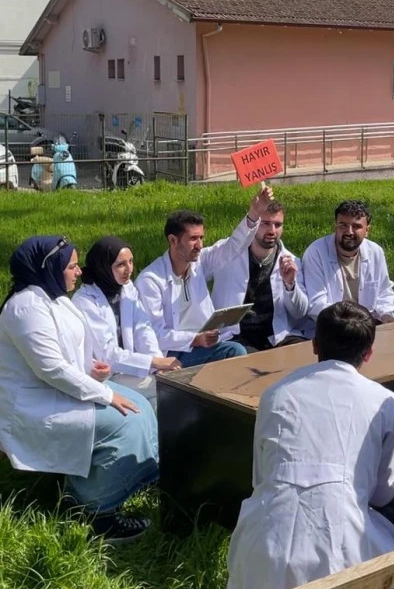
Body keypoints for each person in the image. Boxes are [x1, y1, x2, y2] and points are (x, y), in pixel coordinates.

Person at [225, 302, 394, 589]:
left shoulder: (275, 394)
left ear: (315, 344)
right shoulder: (383, 400)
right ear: (369, 353)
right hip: (343, 554)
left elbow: (260, 478)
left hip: (263, 552)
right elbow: (384, 493)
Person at [0, 235, 158, 542]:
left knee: (140, 404)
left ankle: (100, 484)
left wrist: (90, 370)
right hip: (35, 407)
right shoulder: (25, 308)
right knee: (126, 421)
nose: (79, 271)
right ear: (49, 268)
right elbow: (51, 369)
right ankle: (96, 512)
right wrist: (107, 394)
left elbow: (65, 356)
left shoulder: (55, 299)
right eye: (71, 266)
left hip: (58, 392)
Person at [136, 184, 274, 366]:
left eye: (201, 238)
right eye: (193, 239)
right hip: (171, 352)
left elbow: (233, 247)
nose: (200, 245)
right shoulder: (151, 280)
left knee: (242, 352)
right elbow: (154, 333)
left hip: (204, 343)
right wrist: (195, 339)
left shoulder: (199, 262)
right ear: (173, 240)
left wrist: (254, 213)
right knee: (235, 351)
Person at [73, 236, 181, 404]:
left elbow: (143, 329)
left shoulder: (127, 288)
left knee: (166, 386)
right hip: (104, 376)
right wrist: (154, 362)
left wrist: (158, 365)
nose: (129, 269)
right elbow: (107, 354)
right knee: (166, 388)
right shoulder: (85, 301)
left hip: (129, 369)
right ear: (103, 267)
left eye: (130, 261)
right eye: (121, 265)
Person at [207, 200, 309, 352]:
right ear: (255, 224)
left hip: (276, 336)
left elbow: (300, 313)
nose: (272, 231)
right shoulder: (228, 252)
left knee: (306, 351)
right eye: (265, 223)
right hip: (237, 336)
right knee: (248, 358)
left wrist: (290, 285)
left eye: (278, 225)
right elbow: (196, 273)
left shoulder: (292, 262)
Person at [302, 199, 394, 325]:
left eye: (356, 226)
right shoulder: (316, 253)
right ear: (335, 227)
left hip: (367, 324)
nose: (349, 232)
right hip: (331, 325)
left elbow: (384, 291)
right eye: (343, 226)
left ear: (367, 231)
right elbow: (317, 304)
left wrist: (386, 314)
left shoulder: (375, 252)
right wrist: (351, 323)